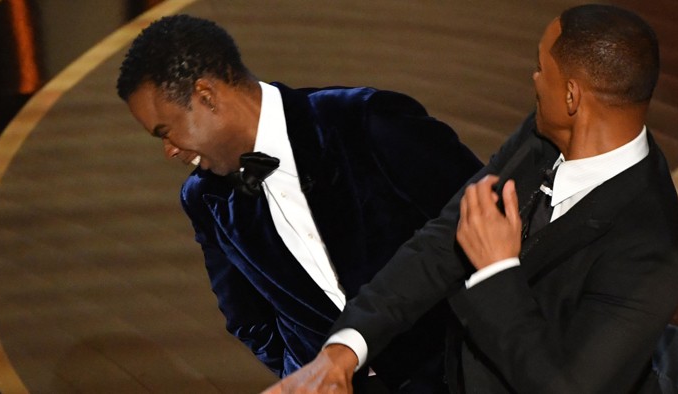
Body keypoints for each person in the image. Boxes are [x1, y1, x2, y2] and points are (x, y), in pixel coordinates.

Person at [264, 4, 678, 393]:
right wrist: (343, 351)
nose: (534, 79)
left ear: (574, 97)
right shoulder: (544, 136)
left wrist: (497, 271)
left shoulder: (650, 249)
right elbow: (440, 243)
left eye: (542, 69)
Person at [115, 14, 483, 392]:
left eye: (166, 132)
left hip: (459, 374)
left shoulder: (365, 120)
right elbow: (248, 319)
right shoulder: (203, 199)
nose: (169, 150)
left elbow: (489, 219)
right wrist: (306, 374)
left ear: (206, 96)